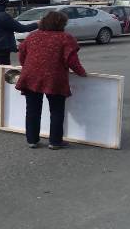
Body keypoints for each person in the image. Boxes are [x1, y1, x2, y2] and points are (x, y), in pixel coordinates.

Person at [15, 10, 87, 150]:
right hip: (54, 78)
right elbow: (72, 60)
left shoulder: (33, 36)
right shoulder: (65, 38)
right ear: (61, 24)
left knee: (32, 110)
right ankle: (55, 141)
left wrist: (28, 67)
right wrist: (81, 73)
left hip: (30, 76)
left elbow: (21, 54)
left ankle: (32, 140)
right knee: (56, 110)